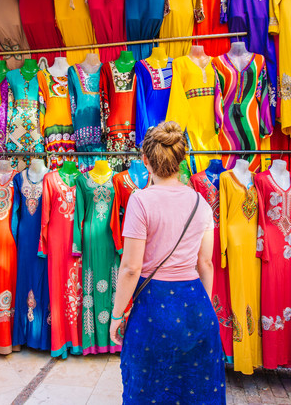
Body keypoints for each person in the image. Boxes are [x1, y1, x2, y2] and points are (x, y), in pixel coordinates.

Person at [110, 121, 225, 404]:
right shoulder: (200, 202)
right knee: (195, 389)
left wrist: (115, 316)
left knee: (149, 388)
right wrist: (204, 306)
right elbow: (205, 263)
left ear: (145, 161)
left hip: (153, 306)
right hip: (195, 303)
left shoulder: (140, 201)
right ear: (181, 161)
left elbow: (131, 268)